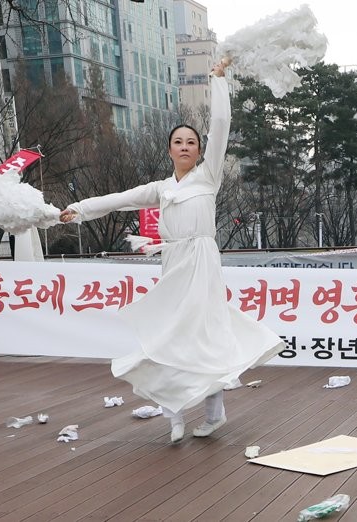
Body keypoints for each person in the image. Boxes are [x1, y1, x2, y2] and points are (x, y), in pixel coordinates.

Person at [58, 61, 283, 443]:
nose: (185, 147)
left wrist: (218, 80)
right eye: (178, 142)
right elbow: (118, 200)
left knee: (203, 339)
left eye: (191, 142)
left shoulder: (209, 175)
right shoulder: (160, 188)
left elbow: (221, 125)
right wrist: (78, 209)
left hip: (202, 262)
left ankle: (213, 414)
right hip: (173, 263)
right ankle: (174, 416)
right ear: (169, 150)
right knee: (168, 340)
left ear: (199, 151)